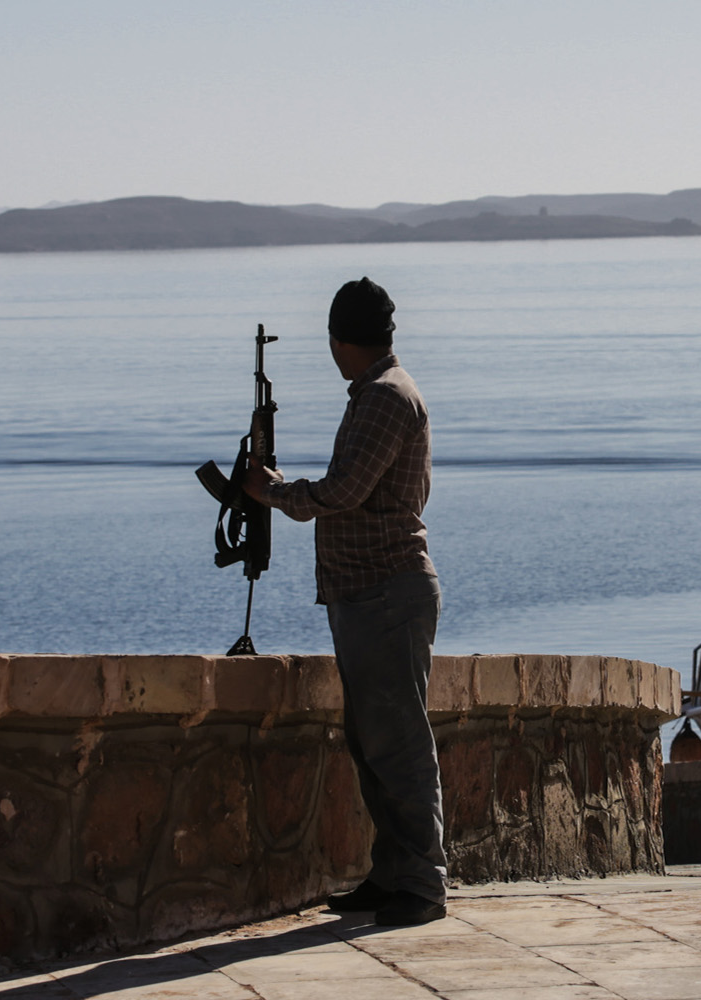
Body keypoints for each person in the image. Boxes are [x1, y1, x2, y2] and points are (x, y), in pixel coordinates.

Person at [242, 277, 447, 927]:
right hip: (368, 595)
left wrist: (272, 491)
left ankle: (422, 882)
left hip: (386, 594)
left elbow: (343, 491)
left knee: (399, 744)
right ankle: (393, 875)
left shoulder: (385, 398)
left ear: (341, 340)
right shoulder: (378, 393)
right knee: (374, 743)